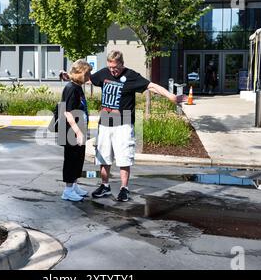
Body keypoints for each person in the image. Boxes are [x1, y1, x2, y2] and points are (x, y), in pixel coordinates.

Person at [62, 50, 178, 202]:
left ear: (122, 64)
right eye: (110, 67)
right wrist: (69, 76)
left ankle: (124, 188)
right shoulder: (103, 73)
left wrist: (171, 96)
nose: (112, 70)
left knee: (124, 157)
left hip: (123, 124)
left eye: (115, 67)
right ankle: (105, 186)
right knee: (103, 156)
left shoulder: (132, 76)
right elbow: (87, 78)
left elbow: (152, 86)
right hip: (104, 124)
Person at [60, 59, 92, 202]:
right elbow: (68, 112)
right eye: (87, 73)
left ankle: (74, 186)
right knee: (71, 159)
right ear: (80, 73)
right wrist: (78, 132)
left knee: (79, 158)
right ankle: (67, 190)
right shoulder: (71, 88)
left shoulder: (77, 86)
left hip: (79, 128)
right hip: (71, 131)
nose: (89, 76)